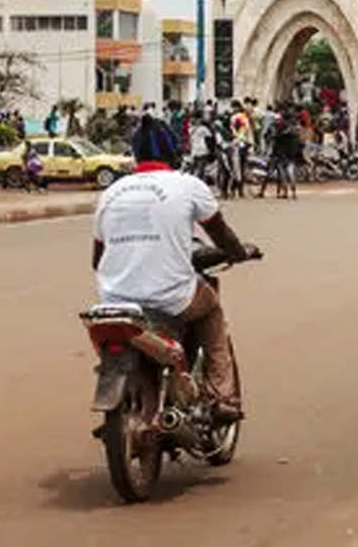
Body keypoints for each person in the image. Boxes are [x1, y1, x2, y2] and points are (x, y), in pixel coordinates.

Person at [92, 115, 254, 423]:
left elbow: (97, 259)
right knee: (211, 308)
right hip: (170, 299)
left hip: (114, 301)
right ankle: (222, 395)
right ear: (173, 151)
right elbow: (221, 235)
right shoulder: (189, 186)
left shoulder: (111, 193)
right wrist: (239, 253)